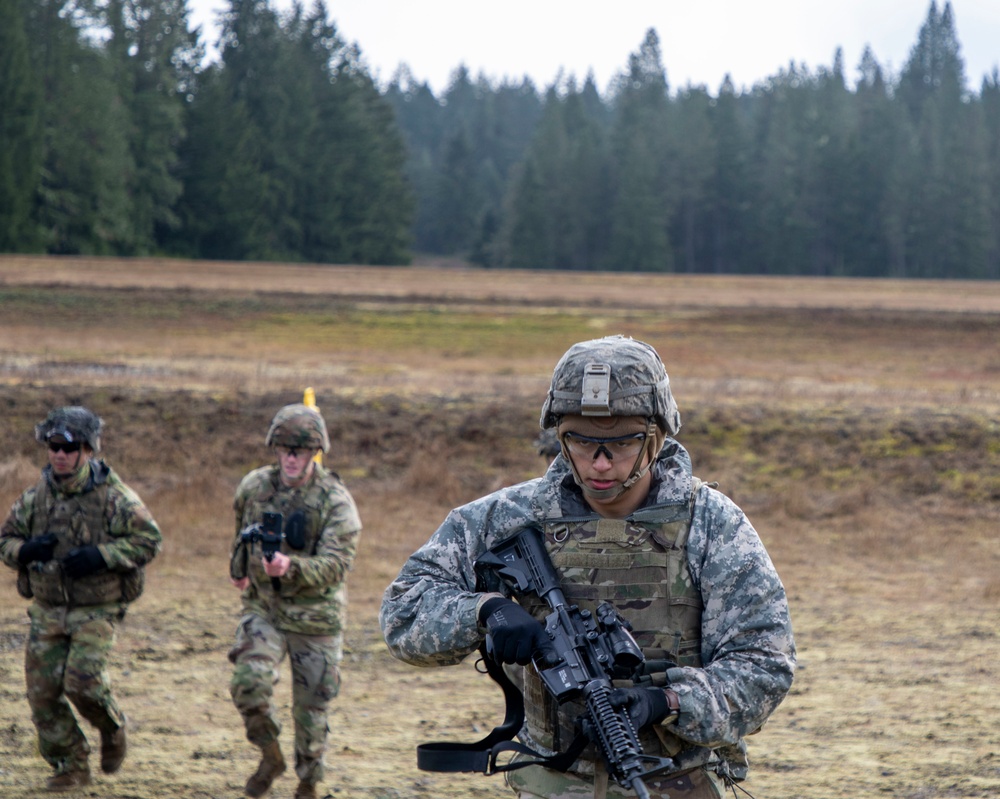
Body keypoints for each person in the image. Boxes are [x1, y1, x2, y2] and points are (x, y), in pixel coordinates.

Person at [380, 335, 796, 799]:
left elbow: (765, 663)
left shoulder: (712, 524)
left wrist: (669, 701)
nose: (600, 463)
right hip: (552, 784)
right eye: (580, 441)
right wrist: (484, 610)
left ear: (656, 437)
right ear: (559, 435)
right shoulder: (507, 519)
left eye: (621, 443)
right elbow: (403, 614)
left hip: (677, 781)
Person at [0, 406, 162, 793]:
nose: (59, 454)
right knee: (42, 694)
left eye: (68, 447)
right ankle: (70, 764)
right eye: (53, 446)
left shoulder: (114, 497)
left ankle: (112, 727)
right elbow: (5, 540)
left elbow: (148, 540)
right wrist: (26, 551)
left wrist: (101, 556)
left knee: (82, 682)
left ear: (87, 450)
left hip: (97, 609)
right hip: (48, 609)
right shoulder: (35, 498)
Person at [228, 403, 362, 799]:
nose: (290, 457)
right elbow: (240, 531)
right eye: (284, 448)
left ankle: (308, 782)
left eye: (299, 450)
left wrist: (290, 567)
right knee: (248, 685)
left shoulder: (336, 501)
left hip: (316, 618)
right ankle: (270, 756)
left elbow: (337, 565)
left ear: (314, 453)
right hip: (264, 608)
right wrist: (238, 567)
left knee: (312, 711)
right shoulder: (254, 486)